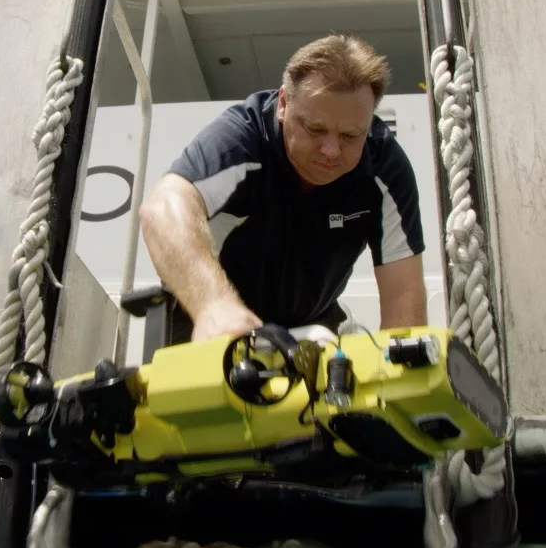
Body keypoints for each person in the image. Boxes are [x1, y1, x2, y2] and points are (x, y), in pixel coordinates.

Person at [138, 34, 428, 342]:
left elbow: (403, 295)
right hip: (205, 319)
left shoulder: (384, 167)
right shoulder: (242, 139)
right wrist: (214, 307)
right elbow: (161, 208)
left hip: (314, 324)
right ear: (283, 104)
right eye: (315, 128)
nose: (331, 150)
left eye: (350, 135)